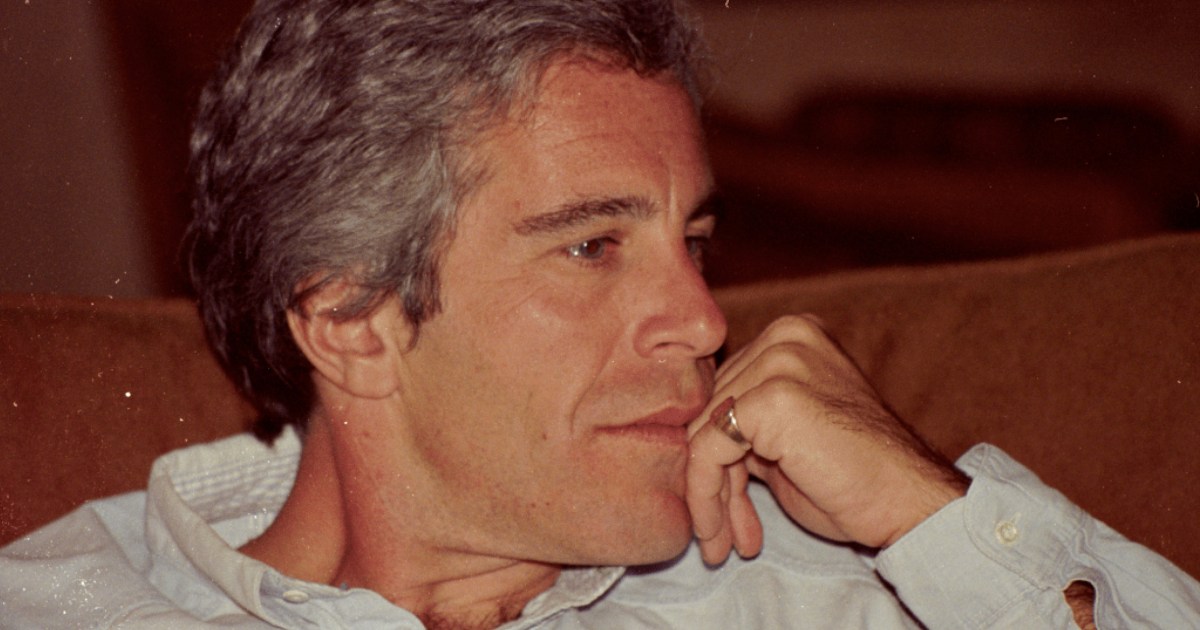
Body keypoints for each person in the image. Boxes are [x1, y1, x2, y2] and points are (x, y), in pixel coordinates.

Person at [2, 0, 1198, 627]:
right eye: (591, 245)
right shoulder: (60, 609)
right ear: (351, 320)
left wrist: (931, 515)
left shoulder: (834, 587)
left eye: (694, 243)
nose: (703, 321)